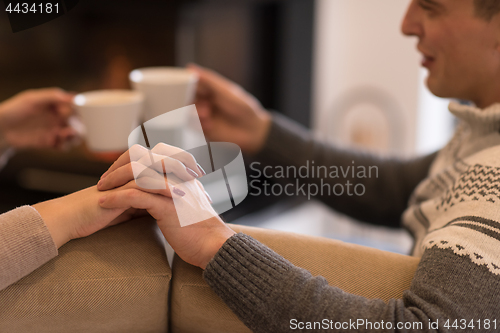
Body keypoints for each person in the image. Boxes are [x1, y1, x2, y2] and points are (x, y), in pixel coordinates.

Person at [95, 0, 500, 331]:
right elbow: (399, 189)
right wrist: (263, 133)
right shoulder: (482, 135)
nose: (408, 24)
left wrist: (214, 245)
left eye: (430, 7)